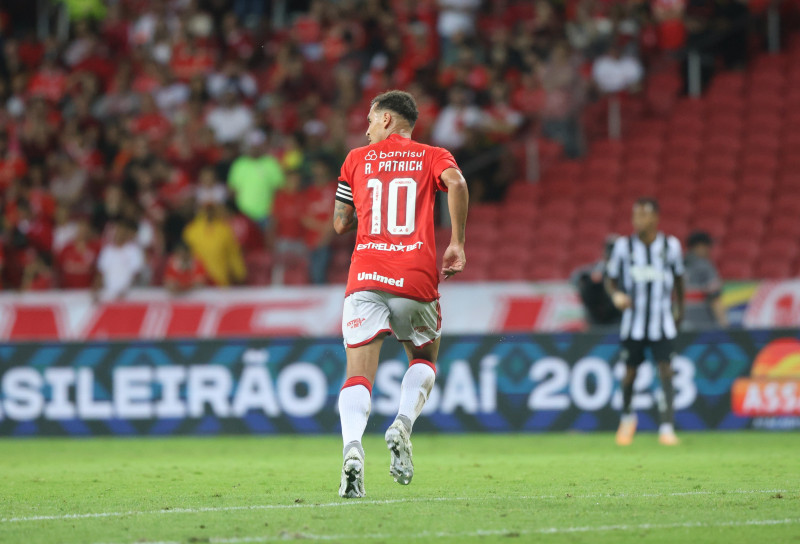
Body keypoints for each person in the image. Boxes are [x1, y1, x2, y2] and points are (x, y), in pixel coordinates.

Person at [332, 90, 468, 498]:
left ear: (387, 120)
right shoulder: (432, 155)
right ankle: (403, 425)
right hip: (414, 276)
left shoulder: (355, 159)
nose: (366, 129)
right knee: (424, 358)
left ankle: (352, 448)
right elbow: (457, 183)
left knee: (358, 374)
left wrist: (370, 201)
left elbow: (340, 223)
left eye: (371, 120)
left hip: (365, 277)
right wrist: (457, 243)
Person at [605, 198, 684, 447]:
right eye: (635, 215)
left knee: (666, 372)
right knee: (629, 372)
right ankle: (627, 418)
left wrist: (680, 312)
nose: (637, 220)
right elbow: (610, 278)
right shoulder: (623, 246)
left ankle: (667, 428)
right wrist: (616, 295)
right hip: (634, 323)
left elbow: (679, 280)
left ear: (655, 218)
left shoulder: (670, 245)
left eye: (643, 215)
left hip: (662, 321)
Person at [571, 235, 622, 329]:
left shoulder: (627, 272)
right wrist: (591, 280)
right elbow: (575, 280)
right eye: (610, 249)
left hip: (619, 321)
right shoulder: (594, 270)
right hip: (596, 322)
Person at [682, 231, 728, 330]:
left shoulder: (680, 266)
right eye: (708, 246)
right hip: (703, 326)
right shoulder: (705, 267)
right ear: (699, 247)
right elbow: (715, 298)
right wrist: (724, 324)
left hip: (683, 325)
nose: (709, 250)